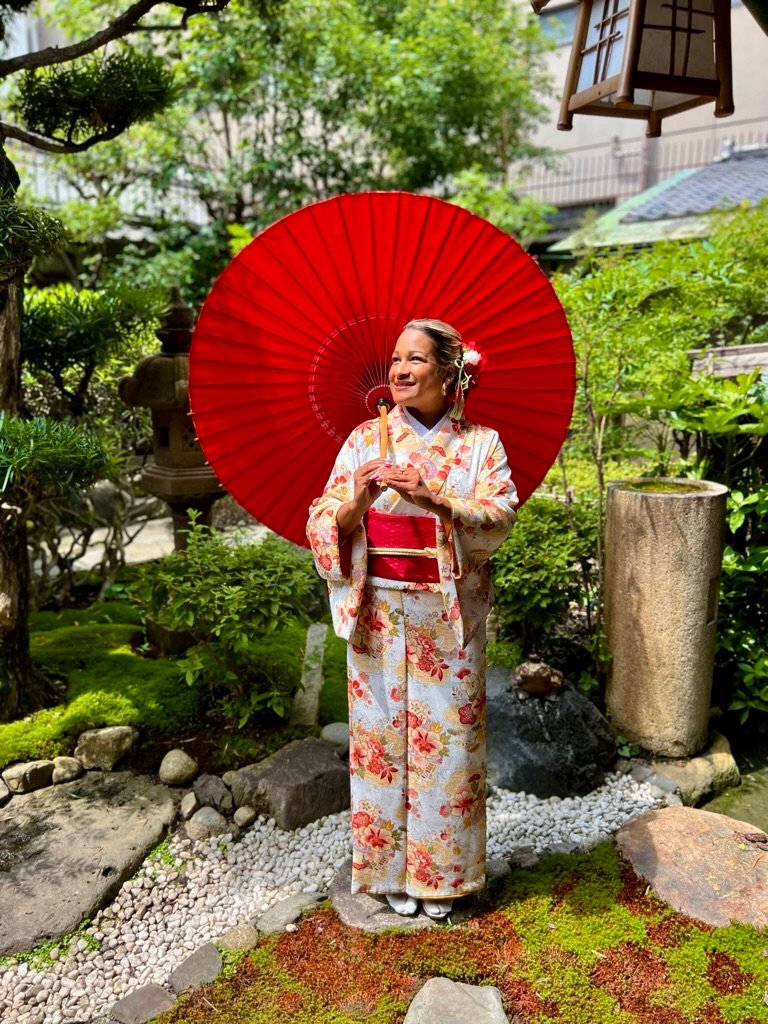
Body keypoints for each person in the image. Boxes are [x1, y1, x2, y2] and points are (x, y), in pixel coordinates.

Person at [306, 318, 518, 919]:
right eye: (396, 358)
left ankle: (442, 877)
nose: (399, 369)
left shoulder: (481, 444)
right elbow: (321, 520)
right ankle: (387, 872)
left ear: (449, 372)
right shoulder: (364, 439)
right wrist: (357, 503)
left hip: (446, 615)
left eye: (415, 359)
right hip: (377, 608)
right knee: (379, 742)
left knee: (447, 745)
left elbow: (501, 514)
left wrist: (435, 498)